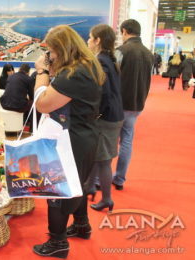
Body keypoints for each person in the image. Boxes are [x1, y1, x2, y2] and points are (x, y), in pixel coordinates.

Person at [32, 25, 104, 259]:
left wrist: (42, 72)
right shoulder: (87, 65)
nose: (50, 56)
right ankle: (81, 225)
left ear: (62, 49)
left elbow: (42, 103)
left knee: (58, 191)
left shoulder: (74, 74)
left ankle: (57, 242)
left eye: (51, 51)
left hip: (70, 140)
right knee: (77, 185)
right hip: (83, 136)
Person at [86, 24, 124, 212]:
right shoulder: (110, 59)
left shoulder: (101, 61)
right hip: (114, 115)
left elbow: (105, 94)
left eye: (90, 37)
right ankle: (90, 187)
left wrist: (96, 115)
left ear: (98, 40)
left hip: (107, 118)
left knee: (103, 160)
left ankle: (107, 199)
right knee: (98, 156)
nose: (87, 41)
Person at [112, 19, 153, 190]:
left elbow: (111, 76)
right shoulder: (147, 53)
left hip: (119, 103)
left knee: (109, 142)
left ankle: (100, 180)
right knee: (127, 140)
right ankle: (120, 179)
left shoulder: (121, 51)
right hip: (137, 102)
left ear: (124, 31)